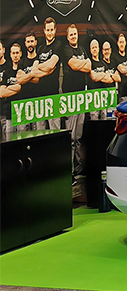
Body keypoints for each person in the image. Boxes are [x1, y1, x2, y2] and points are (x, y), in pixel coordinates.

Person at [63, 25, 92, 189]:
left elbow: (88, 67)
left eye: (75, 34)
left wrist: (80, 63)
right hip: (70, 99)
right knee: (71, 138)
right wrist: (82, 63)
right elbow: (74, 66)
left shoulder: (81, 49)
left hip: (81, 98)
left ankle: (79, 169)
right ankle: (70, 172)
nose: (73, 36)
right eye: (71, 34)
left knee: (79, 137)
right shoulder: (66, 49)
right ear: (68, 37)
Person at [32, 18, 62, 129]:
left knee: (55, 130)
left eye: (51, 30)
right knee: (40, 131)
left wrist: (40, 66)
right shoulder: (40, 48)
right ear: (44, 31)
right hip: (40, 96)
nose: (49, 33)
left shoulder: (58, 45)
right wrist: (45, 71)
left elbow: (51, 65)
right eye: (47, 30)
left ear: (55, 30)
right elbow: (33, 71)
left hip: (53, 95)